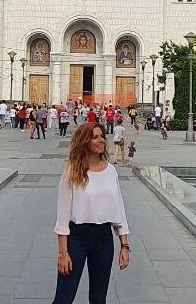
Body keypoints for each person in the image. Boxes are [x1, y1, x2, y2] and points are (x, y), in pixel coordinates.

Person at [52, 123, 130, 304]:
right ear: (85, 141)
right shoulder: (73, 171)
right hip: (77, 238)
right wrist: (63, 254)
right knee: (64, 297)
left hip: (104, 239)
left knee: (98, 298)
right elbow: (62, 218)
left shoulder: (111, 171)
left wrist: (124, 246)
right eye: (96, 137)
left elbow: (119, 210)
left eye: (102, 136)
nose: (101, 139)